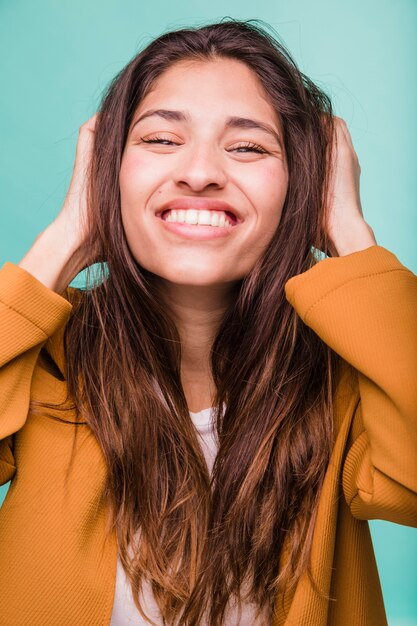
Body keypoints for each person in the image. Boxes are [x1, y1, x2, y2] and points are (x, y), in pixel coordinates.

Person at [0, 17, 416, 626]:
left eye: (248, 146)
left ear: (304, 182)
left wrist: (351, 237)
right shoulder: (43, 362)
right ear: (104, 174)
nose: (199, 172)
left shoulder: (349, 373)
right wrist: (64, 241)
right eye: (161, 140)